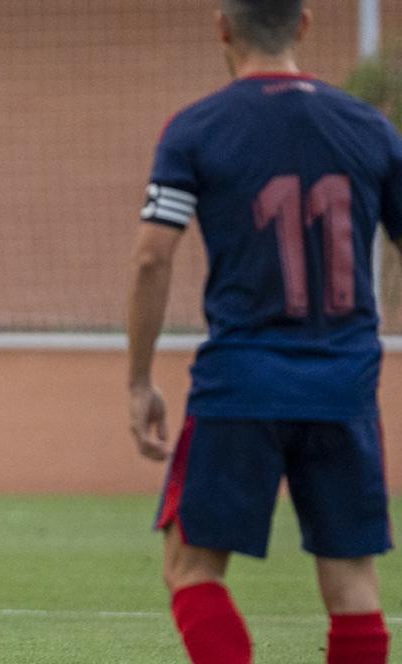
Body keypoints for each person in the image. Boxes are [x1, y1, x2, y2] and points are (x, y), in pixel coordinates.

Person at [127, 2, 398, 662]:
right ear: (304, 24)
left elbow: (152, 257)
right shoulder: (370, 128)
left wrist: (138, 380)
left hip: (240, 383)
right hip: (345, 384)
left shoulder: (196, 129)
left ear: (223, 26)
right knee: (353, 588)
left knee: (191, 569)